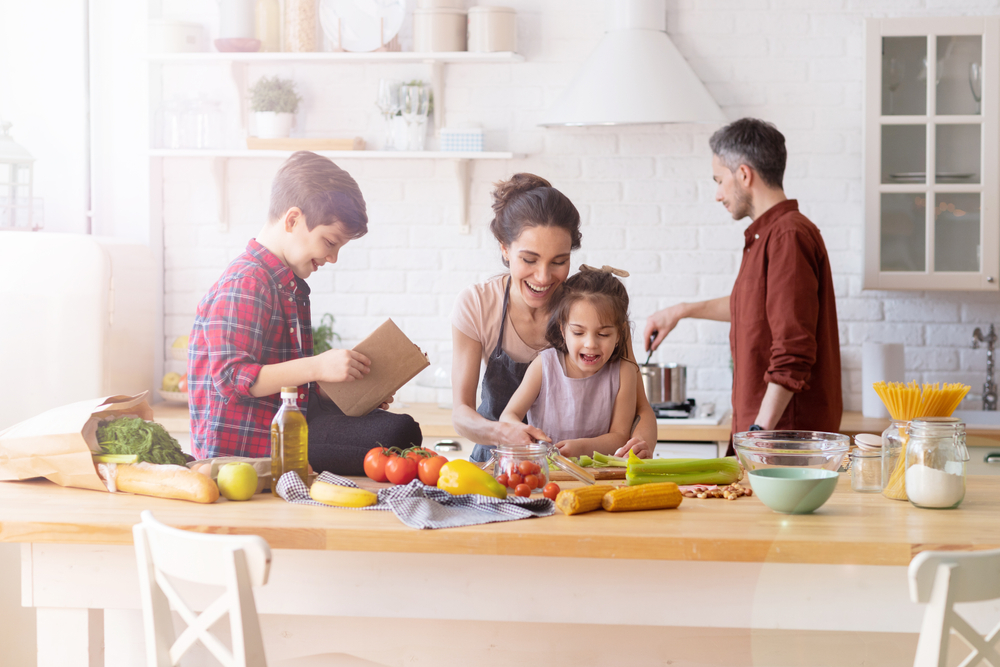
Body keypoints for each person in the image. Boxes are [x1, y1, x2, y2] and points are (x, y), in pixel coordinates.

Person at [188, 151, 421, 474]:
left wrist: (332, 391)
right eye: (329, 242)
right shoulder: (246, 282)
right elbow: (231, 377)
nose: (333, 258)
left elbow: (283, 385)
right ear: (293, 220)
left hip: (288, 428)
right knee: (397, 434)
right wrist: (316, 366)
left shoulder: (287, 284)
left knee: (398, 431)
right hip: (247, 451)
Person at [643, 118, 842, 444]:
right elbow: (754, 308)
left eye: (719, 180)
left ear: (744, 174)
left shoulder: (787, 236)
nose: (718, 194)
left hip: (781, 441)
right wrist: (680, 311)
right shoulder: (770, 235)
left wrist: (758, 433)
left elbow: (793, 349)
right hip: (767, 437)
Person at [451, 173, 656, 463]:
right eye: (529, 260)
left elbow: (642, 409)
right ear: (504, 248)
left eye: (559, 262)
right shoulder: (478, 304)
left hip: (579, 470)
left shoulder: (591, 310)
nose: (544, 277)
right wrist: (504, 433)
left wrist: (641, 444)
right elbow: (461, 414)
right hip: (496, 463)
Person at [499, 266, 638, 457]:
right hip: (545, 476)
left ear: (619, 335)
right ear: (563, 331)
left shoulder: (624, 373)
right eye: (578, 332)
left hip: (599, 478)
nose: (590, 344)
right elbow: (508, 416)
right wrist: (522, 434)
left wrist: (581, 448)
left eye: (603, 334)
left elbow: (620, 436)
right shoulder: (543, 366)